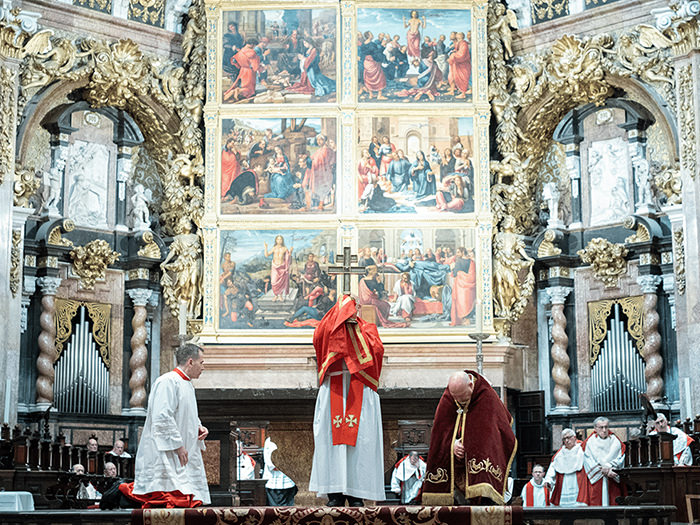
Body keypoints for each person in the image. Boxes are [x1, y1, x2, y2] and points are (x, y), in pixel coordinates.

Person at [309, 295, 385, 506]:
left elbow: (376, 351)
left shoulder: (367, 329)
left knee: (361, 444)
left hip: (359, 386)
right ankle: (334, 492)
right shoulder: (327, 327)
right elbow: (321, 340)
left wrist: (353, 332)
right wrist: (340, 325)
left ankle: (356, 493)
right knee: (331, 444)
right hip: (334, 387)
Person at [120, 344, 210, 508]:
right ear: (190, 362)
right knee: (167, 496)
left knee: (184, 494)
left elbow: (185, 414)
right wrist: (178, 445)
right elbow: (162, 416)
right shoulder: (167, 381)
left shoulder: (187, 384)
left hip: (182, 451)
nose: (203, 367)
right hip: (168, 451)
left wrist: (199, 426)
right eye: (201, 363)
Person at [422, 371, 516, 505]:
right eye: (456, 397)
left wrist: (471, 446)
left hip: (480, 464)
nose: (459, 401)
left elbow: (494, 435)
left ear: (471, 385)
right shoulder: (450, 396)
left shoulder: (487, 396)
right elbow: (441, 433)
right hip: (457, 469)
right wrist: (452, 445)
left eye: (462, 397)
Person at [582, 416, 625, 506]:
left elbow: (620, 458)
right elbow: (588, 460)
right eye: (601, 427)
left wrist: (610, 469)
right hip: (597, 477)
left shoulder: (615, 441)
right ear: (595, 428)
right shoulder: (590, 442)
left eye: (606, 427)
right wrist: (602, 470)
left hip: (611, 476)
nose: (604, 430)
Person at [544, 428, 587, 507]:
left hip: (578, 482)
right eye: (564, 439)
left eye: (569, 437)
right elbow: (552, 468)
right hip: (564, 484)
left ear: (574, 437)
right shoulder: (559, 454)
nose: (567, 440)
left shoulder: (582, 450)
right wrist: (548, 480)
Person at [263, 436, 297, 506]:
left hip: (288, 478)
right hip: (273, 476)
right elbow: (267, 457)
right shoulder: (269, 441)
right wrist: (275, 466)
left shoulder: (290, 438)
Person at [264, 235, 293, 302]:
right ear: (276, 240)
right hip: (275, 267)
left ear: (282, 240)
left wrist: (290, 252)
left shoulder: (285, 248)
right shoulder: (274, 248)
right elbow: (266, 255)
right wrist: (266, 247)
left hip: (282, 267)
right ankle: (275, 295)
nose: (279, 241)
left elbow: (288, 259)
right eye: (278, 239)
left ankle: (280, 295)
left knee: (281, 283)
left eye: (280, 239)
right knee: (273, 281)